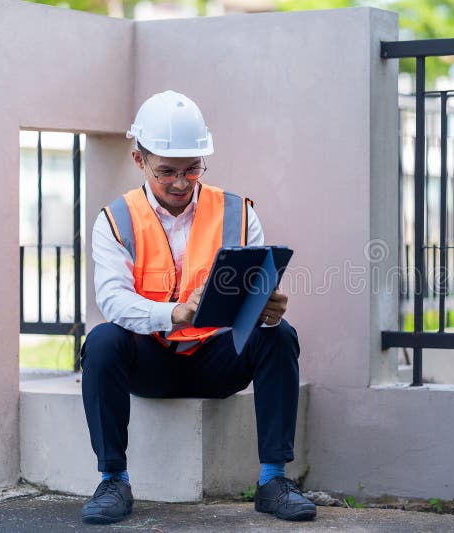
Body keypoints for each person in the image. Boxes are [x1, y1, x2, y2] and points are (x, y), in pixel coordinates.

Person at [79, 90, 316, 525]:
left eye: (191, 169)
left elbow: (252, 291)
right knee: (102, 342)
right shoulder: (115, 219)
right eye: (166, 171)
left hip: (217, 359)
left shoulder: (238, 212)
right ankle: (113, 479)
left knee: (279, 336)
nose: (181, 182)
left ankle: (273, 480)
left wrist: (265, 307)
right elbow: (112, 299)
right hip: (150, 360)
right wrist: (173, 313)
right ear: (139, 160)